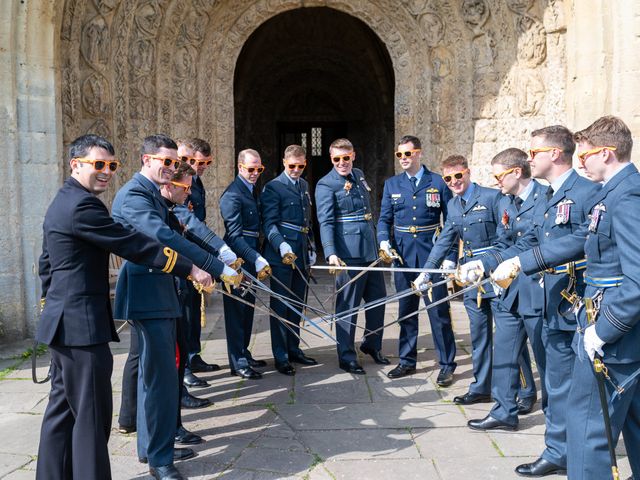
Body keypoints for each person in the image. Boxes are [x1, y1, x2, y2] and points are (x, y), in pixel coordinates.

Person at [35, 134, 199, 480]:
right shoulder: (84, 206)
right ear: (75, 164)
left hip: (62, 323)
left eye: (112, 166)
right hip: (82, 327)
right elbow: (129, 242)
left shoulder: (62, 200)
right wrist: (187, 266)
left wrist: (50, 308)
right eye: (99, 165)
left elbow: (46, 264)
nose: (106, 172)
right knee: (92, 420)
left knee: (61, 415)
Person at [491, 116, 639, 479]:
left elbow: (635, 278)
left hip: (611, 325)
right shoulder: (613, 191)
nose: (581, 161)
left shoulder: (625, 194)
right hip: (596, 311)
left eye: (586, 155)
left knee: (588, 427)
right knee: (631, 418)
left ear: (606, 153)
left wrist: (604, 329)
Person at [469, 126, 601, 477]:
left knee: (568, 385)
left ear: (555, 154)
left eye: (535, 152)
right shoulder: (550, 196)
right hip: (549, 301)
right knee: (556, 381)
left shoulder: (587, 192)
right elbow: (528, 242)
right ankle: (561, 450)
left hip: (572, 302)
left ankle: (566, 451)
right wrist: (485, 263)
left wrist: (522, 263)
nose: (530, 159)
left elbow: (581, 238)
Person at [112, 134, 237, 480]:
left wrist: (214, 258)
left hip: (159, 293)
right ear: (145, 159)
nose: (170, 168)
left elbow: (183, 229)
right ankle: (161, 459)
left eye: (172, 162)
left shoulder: (152, 194)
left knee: (157, 379)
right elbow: (164, 238)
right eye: (163, 161)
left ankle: (154, 448)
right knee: (160, 380)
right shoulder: (136, 196)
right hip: (147, 294)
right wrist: (208, 266)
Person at [414, 155, 535, 407]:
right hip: (470, 280)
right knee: (478, 335)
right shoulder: (454, 206)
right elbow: (445, 240)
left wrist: (487, 264)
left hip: (496, 275)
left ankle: (525, 391)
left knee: (508, 335)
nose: (454, 182)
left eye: (458, 176)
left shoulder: (493, 198)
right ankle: (481, 387)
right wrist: (426, 273)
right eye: (448, 178)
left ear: (467, 173)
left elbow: (506, 239)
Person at [462, 148, 546, 431]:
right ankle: (503, 411)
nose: (495, 181)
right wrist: (478, 264)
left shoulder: (543, 199)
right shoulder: (507, 202)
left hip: (537, 290)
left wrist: (486, 262)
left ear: (516, 172)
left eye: (499, 175)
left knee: (545, 359)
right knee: (505, 352)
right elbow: (502, 242)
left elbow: (528, 244)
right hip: (508, 289)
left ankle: (556, 419)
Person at [377, 135, 457, 384]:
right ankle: (407, 361)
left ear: (419, 154)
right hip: (403, 256)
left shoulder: (438, 182)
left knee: (438, 311)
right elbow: (384, 219)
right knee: (406, 311)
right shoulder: (392, 184)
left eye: (408, 154)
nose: (403, 159)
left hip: (431, 253)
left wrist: (450, 257)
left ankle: (446, 364)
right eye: (399, 154)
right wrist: (383, 241)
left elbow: (452, 222)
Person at [315, 138, 389, 374]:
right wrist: (330, 252)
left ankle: (371, 344)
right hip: (348, 254)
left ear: (353, 156)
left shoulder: (358, 175)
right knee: (348, 307)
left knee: (378, 300)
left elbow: (367, 212)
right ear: (331, 159)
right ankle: (346, 355)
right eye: (336, 159)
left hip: (369, 249)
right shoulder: (326, 184)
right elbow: (325, 221)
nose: (342, 163)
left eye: (345, 158)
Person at [261, 144, 318, 375]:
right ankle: (281, 356)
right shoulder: (273, 187)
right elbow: (269, 223)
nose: (296, 170)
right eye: (292, 165)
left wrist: (311, 246)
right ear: (284, 162)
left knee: (297, 304)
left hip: (301, 252)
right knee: (281, 306)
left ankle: (294, 349)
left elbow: (307, 220)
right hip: (281, 255)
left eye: (301, 166)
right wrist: (280, 245)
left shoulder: (304, 184)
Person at [176, 138, 226, 382]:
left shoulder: (197, 182)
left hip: (196, 252)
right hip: (183, 256)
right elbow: (188, 221)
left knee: (195, 310)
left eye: (207, 162)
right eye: (195, 161)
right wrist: (218, 248)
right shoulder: (177, 183)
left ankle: (194, 355)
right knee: (184, 312)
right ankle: (183, 367)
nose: (201, 166)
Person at [220, 148, 270, 379]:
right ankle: (237, 361)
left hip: (250, 256)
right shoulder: (233, 194)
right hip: (238, 259)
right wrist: (255, 258)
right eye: (250, 169)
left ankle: (244, 352)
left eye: (258, 169)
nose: (254, 173)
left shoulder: (250, 190)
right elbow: (234, 237)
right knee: (236, 311)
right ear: (240, 167)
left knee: (248, 307)